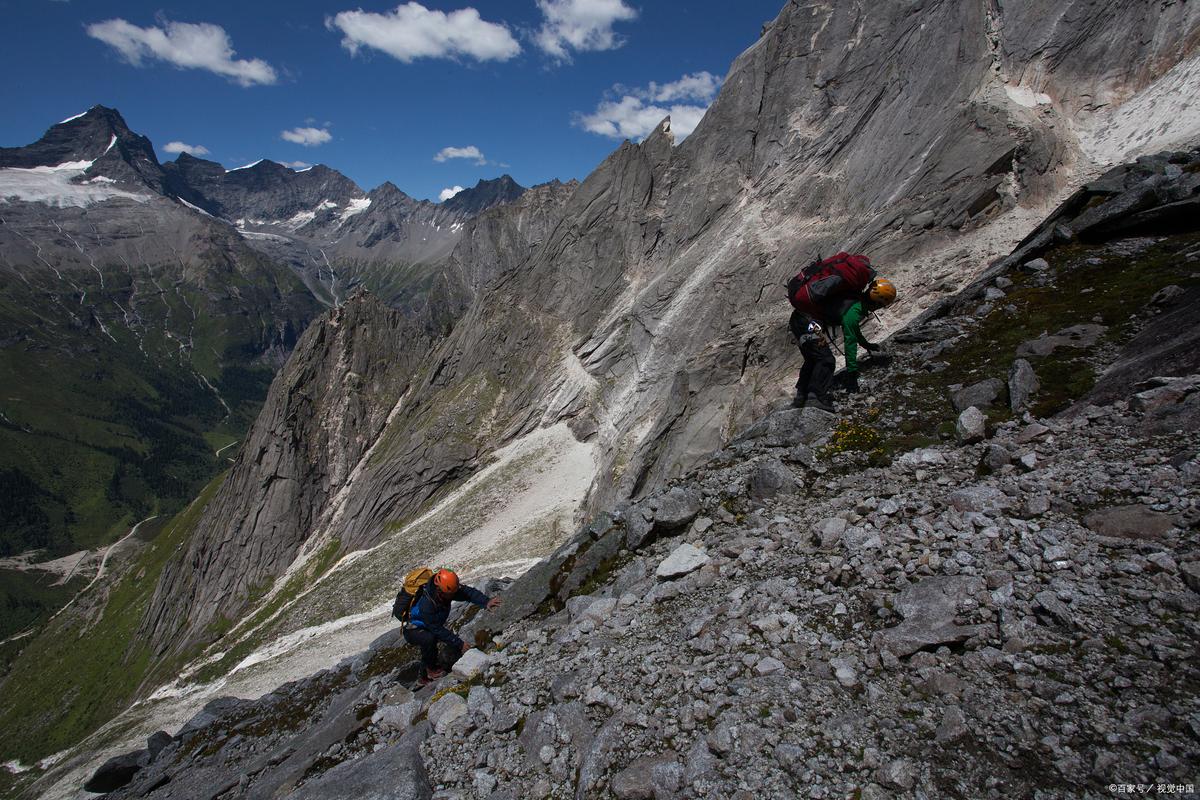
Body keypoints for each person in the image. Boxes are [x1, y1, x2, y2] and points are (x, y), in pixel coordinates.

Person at [791, 277, 896, 410]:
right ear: (879, 301)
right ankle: (815, 397)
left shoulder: (855, 302)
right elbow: (850, 342)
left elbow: (854, 331)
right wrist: (852, 373)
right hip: (808, 322)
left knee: (813, 358)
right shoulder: (854, 310)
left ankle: (801, 396)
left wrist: (866, 345)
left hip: (800, 320)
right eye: (882, 304)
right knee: (826, 359)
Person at [402, 568, 501, 684]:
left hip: (430, 623)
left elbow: (467, 593)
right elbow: (436, 629)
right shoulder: (427, 604)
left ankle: (429, 668)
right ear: (440, 590)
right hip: (412, 629)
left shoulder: (446, 590)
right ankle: (429, 671)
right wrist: (460, 644)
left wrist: (486, 601)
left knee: (431, 638)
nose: (453, 595)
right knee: (429, 639)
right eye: (450, 594)